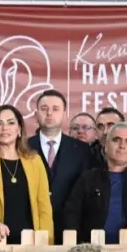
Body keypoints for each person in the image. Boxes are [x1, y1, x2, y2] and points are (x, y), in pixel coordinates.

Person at [0, 104, 53, 245]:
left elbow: (44, 207)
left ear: (19, 130)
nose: (4, 128)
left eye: (11, 123)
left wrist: (47, 242)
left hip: (30, 244)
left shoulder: (34, 161)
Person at [64, 121, 127, 244]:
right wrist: (77, 243)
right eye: (116, 140)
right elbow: (72, 213)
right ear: (106, 146)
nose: (122, 145)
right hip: (92, 251)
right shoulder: (87, 178)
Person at [28, 90, 91, 244]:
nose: (49, 113)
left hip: (71, 230)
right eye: (44, 109)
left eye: (55, 109)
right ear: (36, 115)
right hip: (32, 228)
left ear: (64, 114)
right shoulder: (23, 147)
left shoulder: (81, 150)